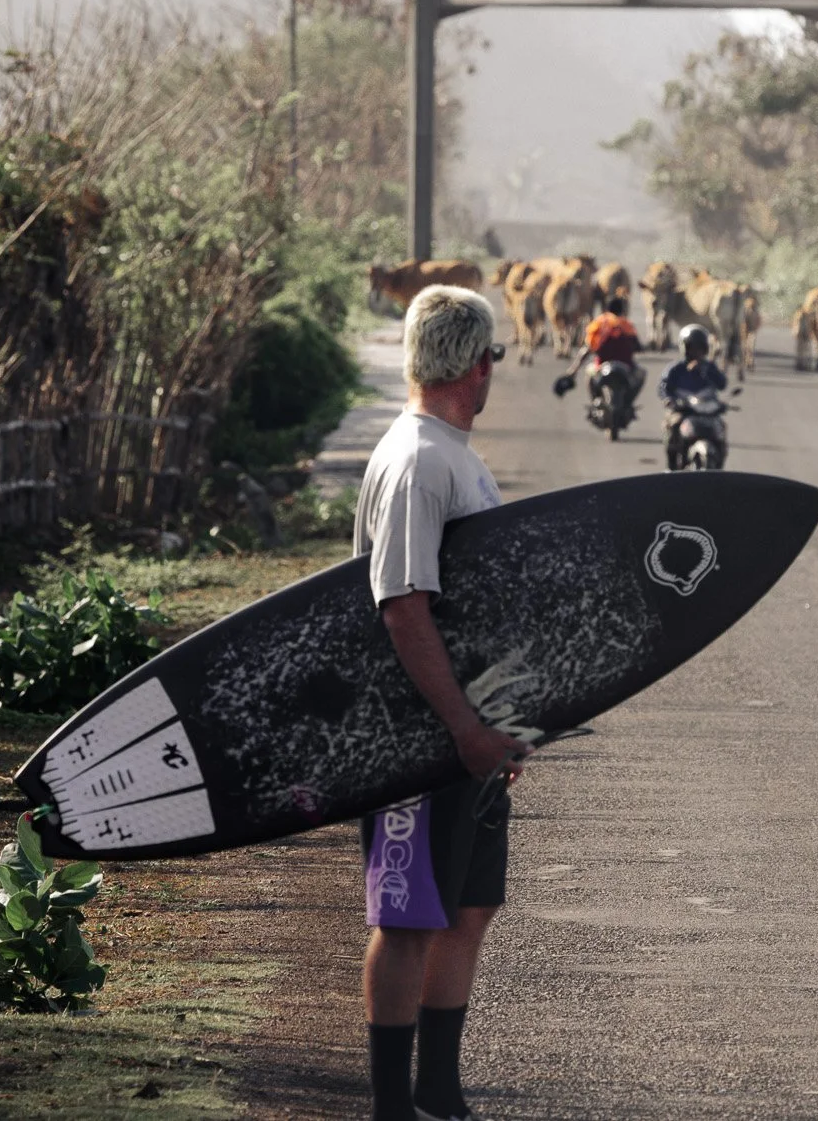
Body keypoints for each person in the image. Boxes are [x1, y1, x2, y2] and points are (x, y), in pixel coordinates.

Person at [354, 284, 532, 1121]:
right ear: (473, 362)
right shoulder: (419, 458)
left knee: (467, 907)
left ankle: (439, 1094)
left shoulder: (454, 452)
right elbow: (402, 603)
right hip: (412, 738)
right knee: (409, 914)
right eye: (493, 356)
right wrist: (462, 727)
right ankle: (393, 1105)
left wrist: (502, 727)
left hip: (467, 733)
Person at [657, 324, 728, 470]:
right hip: (683, 411)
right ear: (685, 348)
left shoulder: (709, 368)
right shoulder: (675, 369)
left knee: (721, 428)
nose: (697, 352)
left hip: (707, 412)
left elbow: (722, 384)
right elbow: (663, 387)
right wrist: (669, 400)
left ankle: (720, 467)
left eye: (700, 348)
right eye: (692, 348)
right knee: (672, 427)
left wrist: (706, 371)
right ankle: (671, 468)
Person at [556, 294, 645, 409]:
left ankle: (595, 402)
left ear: (607, 309)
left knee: (589, 373)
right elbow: (637, 345)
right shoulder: (626, 324)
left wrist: (573, 371)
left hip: (601, 365)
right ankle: (628, 403)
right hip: (626, 366)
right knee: (642, 373)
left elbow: (588, 348)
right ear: (622, 310)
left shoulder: (599, 323)